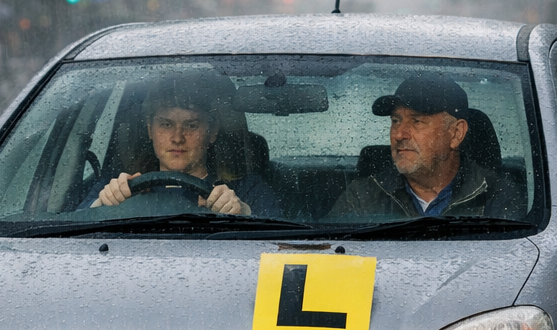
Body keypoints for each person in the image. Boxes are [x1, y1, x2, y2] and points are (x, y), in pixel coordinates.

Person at [323, 73, 523, 220]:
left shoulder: (498, 197)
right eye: (395, 121)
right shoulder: (363, 196)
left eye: (417, 121)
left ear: (456, 134)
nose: (399, 134)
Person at [91, 72, 278, 216]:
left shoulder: (247, 189)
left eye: (191, 125)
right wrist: (101, 204)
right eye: (166, 124)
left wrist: (243, 212)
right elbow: (71, 225)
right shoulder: (120, 185)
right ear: (150, 130)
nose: (177, 137)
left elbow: (279, 238)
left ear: (212, 132)